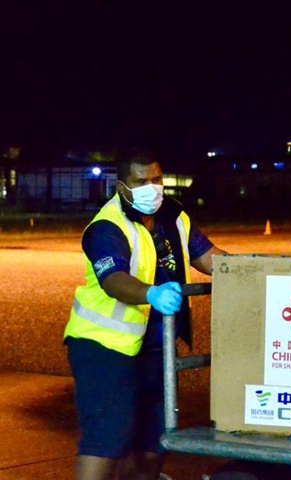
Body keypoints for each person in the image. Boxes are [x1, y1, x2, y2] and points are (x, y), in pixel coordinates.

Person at [63, 150, 228, 480]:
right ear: (122, 185)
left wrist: (258, 268)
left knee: (154, 444)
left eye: (156, 180)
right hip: (105, 347)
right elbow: (113, 280)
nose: (151, 188)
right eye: (141, 182)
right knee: (107, 441)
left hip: (156, 347)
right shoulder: (108, 227)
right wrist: (151, 293)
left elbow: (209, 258)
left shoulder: (174, 217)